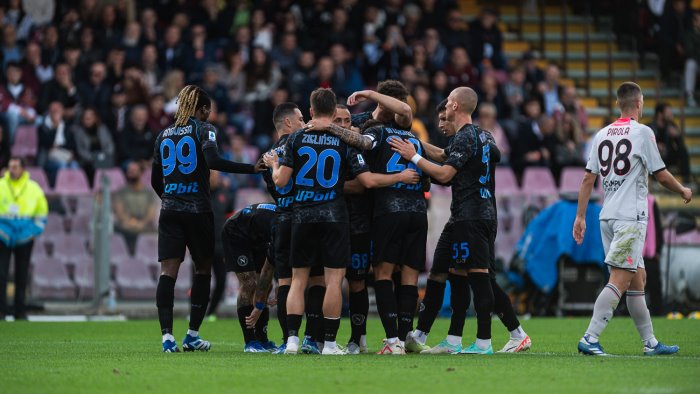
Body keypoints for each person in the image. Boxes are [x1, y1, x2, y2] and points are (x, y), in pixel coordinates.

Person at [264, 88, 418, 355]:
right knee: (334, 282)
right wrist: (400, 177)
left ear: (311, 111)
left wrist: (274, 165)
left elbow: (280, 181)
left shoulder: (297, 138)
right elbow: (367, 181)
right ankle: (331, 344)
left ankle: (291, 341)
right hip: (335, 216)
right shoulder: (344, 141)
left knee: (298, 280)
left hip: (302, 215)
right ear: (334, 114)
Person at [390, 87, 530, 355]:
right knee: (448, 271)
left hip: (474, 215)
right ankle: (450, 338)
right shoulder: (483, 135)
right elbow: (450, 155)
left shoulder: (466, 137)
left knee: (480, 277)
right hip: (468, 214)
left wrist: (414, 157)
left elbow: (444, 174)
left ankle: (486, 342)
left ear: (453, 105)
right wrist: (416, 144)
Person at [573, 82, 692, 356]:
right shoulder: (642, 132)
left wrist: (580, 216)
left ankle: (650, 342)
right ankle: (590, 337)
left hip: (607, 217)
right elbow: (660, 174)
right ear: (640, 104)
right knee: (620, 278)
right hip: (630, 218)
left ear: (618, 104)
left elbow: (587, 178)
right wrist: (683, 190)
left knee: (638, 279)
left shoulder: (601, 134)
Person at [151, 85, 263, 353]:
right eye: (207, 111)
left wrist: (170, 198)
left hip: (170, 210)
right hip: (198, 211)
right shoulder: (204, 129)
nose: (209, 115)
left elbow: (156, 181)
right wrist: (251, 168)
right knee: (203, 270)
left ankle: (167, 337)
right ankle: (192, 335)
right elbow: (213, 161)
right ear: (201, 110)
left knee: (168, 273)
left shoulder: (162, 135)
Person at [358, 118, 429, 355]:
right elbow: (426, 181)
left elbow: (365, 178)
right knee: (410, 276)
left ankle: (392, 341)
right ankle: (405, 335)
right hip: (418, 211)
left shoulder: (377, 132)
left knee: (383, 274)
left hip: (389, 210)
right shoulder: (415, 138)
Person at [333, 104, 371, 354]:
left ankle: (358, 338)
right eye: (338, 120)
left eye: (348, 120)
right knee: (329, 282)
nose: (344, 125)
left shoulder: (357, 147)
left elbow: (361, 185)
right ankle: (324, 338)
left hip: (357, 224)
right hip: (330, 224)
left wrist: (326, 184)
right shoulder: (320, 145)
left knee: (357, 283)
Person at [222, 203, 277, 352]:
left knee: (267, 285)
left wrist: (280, 287)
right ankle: (250, 342)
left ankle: (262, 339)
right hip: (237, 232)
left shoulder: (285, 222)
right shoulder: (282, 226)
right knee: (250, 283)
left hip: (258, 237)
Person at [0, 157, 48, 320]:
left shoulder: (33, 189)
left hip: (24, 236)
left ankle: (20, 311)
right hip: (2, 235)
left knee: (22, 274)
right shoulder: (1, 186)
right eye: (9, 167)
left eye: (15, 167)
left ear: (22, 169)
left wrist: (31, 233)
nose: (11, 170)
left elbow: (41, 214)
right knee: (1, 273)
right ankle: (1, 310)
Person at [113, 161, 158, 254]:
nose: (130, 173)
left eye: (133, 171)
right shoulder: (121, 191)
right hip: (125, 225)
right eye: (129, 171)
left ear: (140, 173)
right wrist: (129, 222)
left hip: (143, 225)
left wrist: (142, 223)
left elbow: (151, 213)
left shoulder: (148, 193)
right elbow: (119, 212)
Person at [647, 103, 691, 183]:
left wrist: (677, 136)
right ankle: (654, 182)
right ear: (660, 114)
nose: (671, 114)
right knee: (654, 154)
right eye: (668, 112)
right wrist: (655, 146)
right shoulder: (649, 127)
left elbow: (680, 145)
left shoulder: (671, 126)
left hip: (668, 157)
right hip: (655, 158)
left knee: (683, 151)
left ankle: (686, 181)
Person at [348, 80, 413, 130]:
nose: (397, 108)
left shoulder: (399, 123)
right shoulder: (355, 120)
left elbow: (405, 109)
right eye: (392, 103)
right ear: (381, 103)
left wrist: (369, 94)